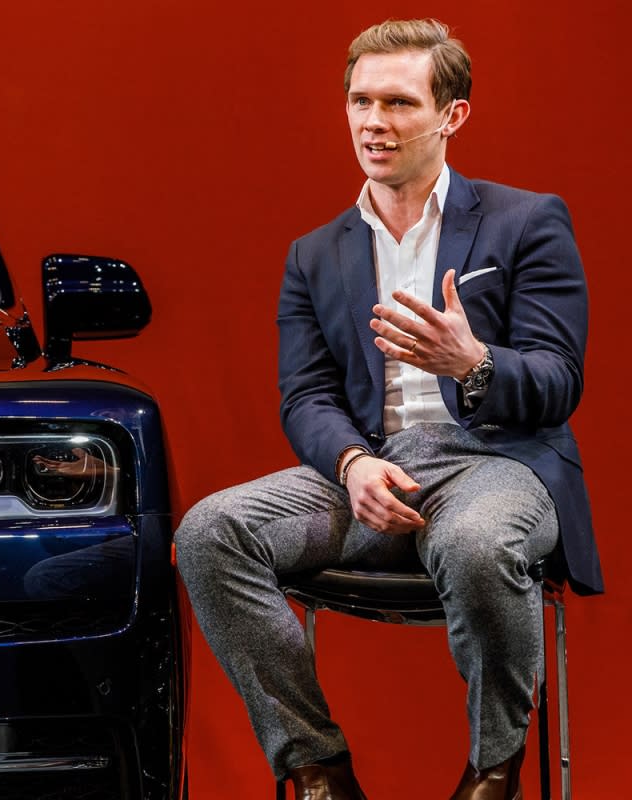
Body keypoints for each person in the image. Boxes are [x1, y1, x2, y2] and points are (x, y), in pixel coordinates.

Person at [174, 18, 601, 800]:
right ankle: (317, 769)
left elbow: (557, 381)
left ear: (452, 114)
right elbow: (305, 395)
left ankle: (493, 768)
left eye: (399, 103)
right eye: (360, 102)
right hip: (373, 473)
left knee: (474, 544)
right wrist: (351, 462)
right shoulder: (315, 253)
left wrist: (472, 362)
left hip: (497, 464)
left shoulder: (526, 221)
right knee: (209, 532)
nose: (374, 122)